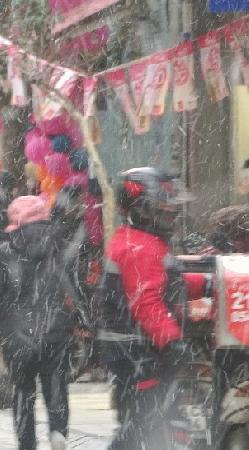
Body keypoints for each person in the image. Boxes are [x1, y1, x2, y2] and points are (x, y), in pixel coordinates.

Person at [94, 167, 207, 449]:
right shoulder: (141, 247)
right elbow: (147, 302)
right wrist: (171, 342)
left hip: (132, 350)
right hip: (139, 352)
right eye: (165, 211)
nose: (172, 217)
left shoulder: (141, 242)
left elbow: (163, 282)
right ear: (143, 210)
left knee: (140, 423)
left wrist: (205, 283)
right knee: (146, 423)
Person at [0, 195, 76, 450]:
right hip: (54, 326)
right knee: (56, 383)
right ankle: (58, 431)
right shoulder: (59, 242)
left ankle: (26, 441)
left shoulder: (5, 248)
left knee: (22, 389)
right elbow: (72, 283)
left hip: (17, 331)